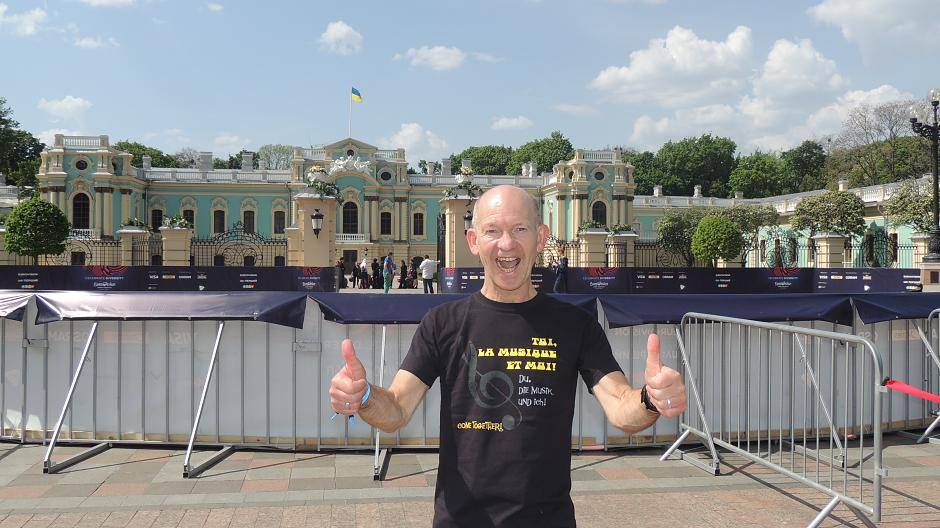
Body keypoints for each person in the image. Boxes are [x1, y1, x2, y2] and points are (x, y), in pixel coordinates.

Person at [329, 185, 688, 527]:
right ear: (473, 241)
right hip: (461, 521)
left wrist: (650, 399)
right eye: (492, 231)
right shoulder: (442, 324)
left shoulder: (575, 325)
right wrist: (362, 396)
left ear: (541, 238)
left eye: (520, 229)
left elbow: (622, 407)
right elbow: (396, 409)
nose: (507, 244)